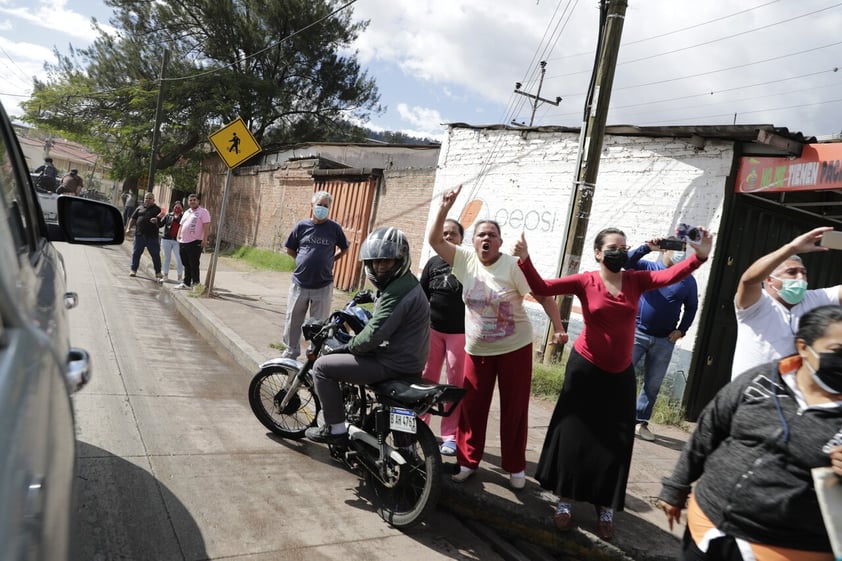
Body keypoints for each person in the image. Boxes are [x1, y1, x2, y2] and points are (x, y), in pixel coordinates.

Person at [513, 225, 712, 540]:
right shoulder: (585, 281)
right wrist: (525, 259)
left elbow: (671, 277)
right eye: (613, 247)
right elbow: (542, 286)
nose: (619, 251)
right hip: (585, 368)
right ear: (598, 252)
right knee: (576, 433)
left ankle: (605, 506)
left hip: (620, 374)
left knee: (614, 440)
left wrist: (700, 256)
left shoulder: (636, 280)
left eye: (624, 246)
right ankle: (564, 501)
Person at [657, 304, 842, 561]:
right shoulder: (762, 380)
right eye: (837, 351)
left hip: (784, 551)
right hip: (707, 530)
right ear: (803, 347)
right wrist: (675, 488)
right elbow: (709, 428)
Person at [427, 185, 566, 492]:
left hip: (515, 348)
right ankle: (466, 462)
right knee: (473, 407)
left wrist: (558, 328)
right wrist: (444, 208)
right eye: (481, 234)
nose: (486, 238)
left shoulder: (512, 266)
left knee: (514, 409)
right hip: (477, 350)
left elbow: (544, 296)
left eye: (492, 235)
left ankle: (515, 466)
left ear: (500, 242)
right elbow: (435, 240)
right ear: (472, 241)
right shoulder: (464, 260)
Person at [305, 227, 430, 444]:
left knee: (322, 367)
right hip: (410, 360)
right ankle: (406, 447)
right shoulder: (406, 283)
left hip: (391, 363)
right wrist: (373, 295)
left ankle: (335, 430)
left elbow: (374, 334)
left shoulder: (398, 291)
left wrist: (349, 346)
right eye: (375, 262)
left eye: (386, 261)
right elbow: (393, 310)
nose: (380, 267)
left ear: (400, 260)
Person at [731, 226, 842, 379]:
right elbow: (749, 280)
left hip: (792, 397)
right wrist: (792, 248)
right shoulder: (756, 304)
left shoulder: (814, 299)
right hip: (753, 395)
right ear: (770, 280)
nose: (800, 278)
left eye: (803, 273)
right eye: (792, 272)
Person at [625, 239, 698, 442]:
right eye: (677, 249)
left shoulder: (687, 280)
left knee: (653, 384)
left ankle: (640, 421)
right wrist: (647, 247)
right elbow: (626, 261)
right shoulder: (648, 267)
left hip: (664, 340)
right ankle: (616, 416)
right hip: (637, 333)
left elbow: (692, 307)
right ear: (664, 250)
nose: (681, 253)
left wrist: (682, 330)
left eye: (684, 250)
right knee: (622, 375)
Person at [280, 191, 349, 359]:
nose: (322, 208)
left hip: (323, 285)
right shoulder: (301, 226)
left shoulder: (334, 229)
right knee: (293, 320)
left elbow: (345, 248)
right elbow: (290, 249)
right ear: (312, 206)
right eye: (319, 204)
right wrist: (302, 260)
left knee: (319, 324)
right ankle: (290, 352)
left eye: (326, 206)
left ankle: (314, 355)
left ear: (329, 208)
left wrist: (331, 260)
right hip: (300, 283)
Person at [419, 218, 467, 456]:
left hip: (460, 334)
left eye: (453, 234)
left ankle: (450, 435)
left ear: (461, 239)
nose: (448, 237)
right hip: (433, 331)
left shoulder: (469, 263)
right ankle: (421, 426)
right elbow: (421, 296)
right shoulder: (432, 263)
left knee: (455, 383)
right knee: (427, 379)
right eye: (444, 233)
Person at [176, 193, 211, 290]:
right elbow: (181, 225)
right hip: (183, 241)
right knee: (185, 263)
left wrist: (205, 239)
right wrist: (178, 236)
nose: (192, 202)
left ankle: (196, 284)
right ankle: (186, 283)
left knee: (194, 263)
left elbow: (206, 225)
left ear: (198, 201)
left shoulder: (203, 212)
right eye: (190, 200)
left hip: (195, 241)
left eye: (194, 200)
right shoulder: (187, 212)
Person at [125, 192, 163, 280]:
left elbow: (161, 218)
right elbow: (133, 219)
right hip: (139, 235)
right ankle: (133, 270)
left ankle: (158, 272)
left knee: (155, 255)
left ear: (154, 200)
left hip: (152, 237)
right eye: (146, 198)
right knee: (136, 254)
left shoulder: (158, 209)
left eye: (150, 198)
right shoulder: (139, 208)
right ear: (144, 199)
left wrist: (157, 219)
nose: (148, 200)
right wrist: (128, 228)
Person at [158, 200, 183, 283]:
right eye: (176, 207)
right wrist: (158, 218)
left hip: (177, 241)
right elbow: (160, 225)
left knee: (179, 259)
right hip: (166, 239)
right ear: (173, 208)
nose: (177, 209)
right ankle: (165, 275)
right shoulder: (168, 215)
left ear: (182, 209)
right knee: (167, 258)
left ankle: (179, 277)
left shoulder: (184, 217)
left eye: (179, 207)